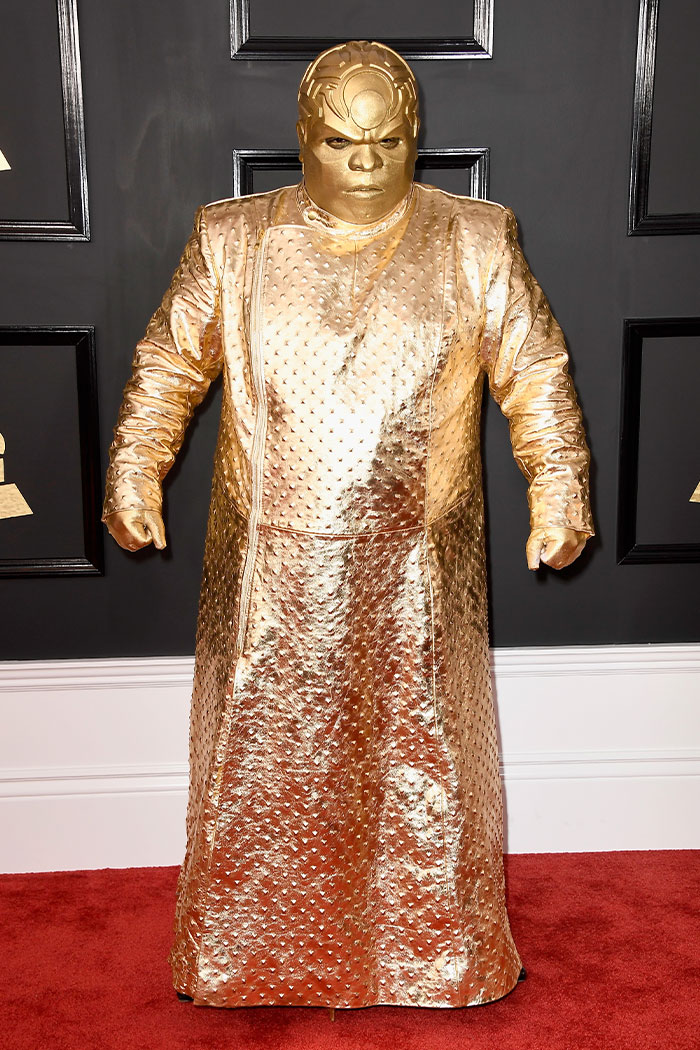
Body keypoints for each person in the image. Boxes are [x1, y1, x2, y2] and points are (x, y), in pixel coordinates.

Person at [103, 40, 594, 1011]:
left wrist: (561, 489)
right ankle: (242, 962)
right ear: (301, 138)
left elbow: (533, 371)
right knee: (258, 765)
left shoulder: (475, 237)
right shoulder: (232, 239)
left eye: (388, 140)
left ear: (415, 136)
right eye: (340, 140)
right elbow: (168, 365)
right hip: (266, 568)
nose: (365, 161)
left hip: (420, 566)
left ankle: (435, 961)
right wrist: (133, 469)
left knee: (425, 768)